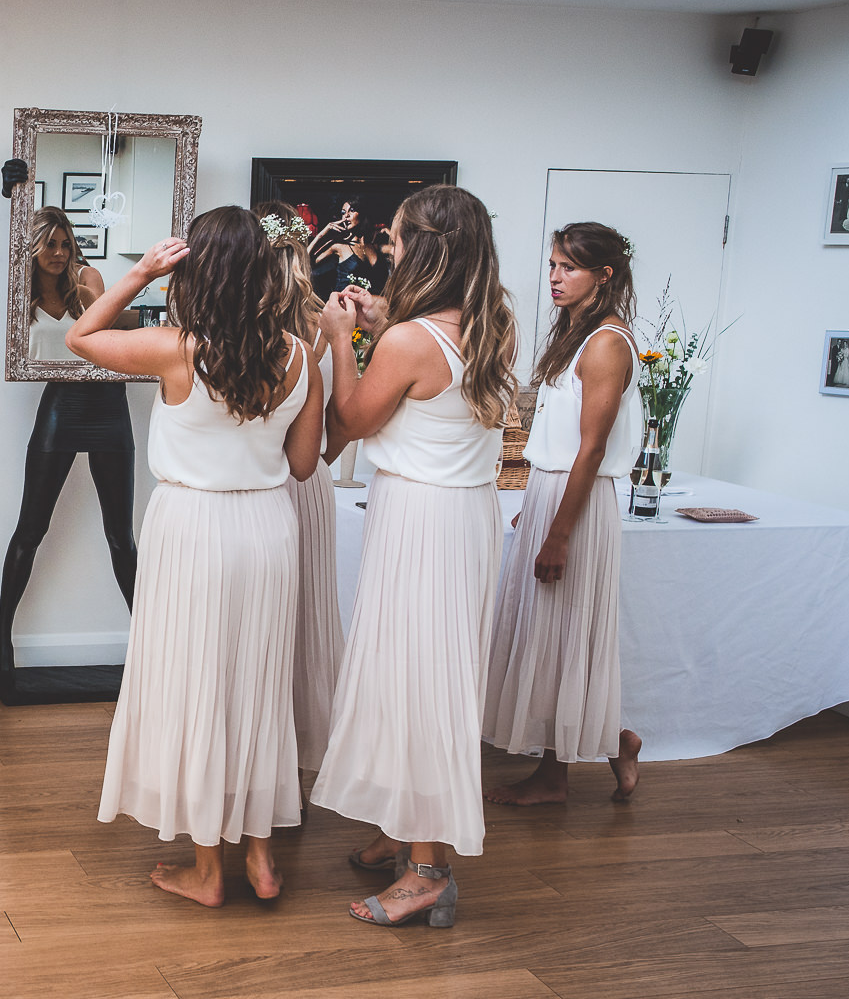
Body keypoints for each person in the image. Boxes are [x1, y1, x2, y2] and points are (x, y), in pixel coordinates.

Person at [73, 206, 324, 907]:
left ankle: (211, 870)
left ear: (197, 269)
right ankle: (264, 859)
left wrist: (143, 271)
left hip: (192, 530)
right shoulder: (300, 353)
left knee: (199, 687)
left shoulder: (175, 347)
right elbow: (304, 465)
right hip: (269, 531)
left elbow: (80, 334)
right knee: (257, 689)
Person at [312, 184, 518, 927]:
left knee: (417, 679)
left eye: (396, 241)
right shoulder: (492, 324)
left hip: (422, 522)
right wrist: (384, 322)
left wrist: (342, 336)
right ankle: (405, 826)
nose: (388, 250)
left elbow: (354, 418)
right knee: (426, 673)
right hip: (462, 516)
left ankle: (429, 868)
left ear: (424, 248)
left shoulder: (406, 342)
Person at [484, 223, 645, 804]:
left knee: (565, 633)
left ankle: (558, 775)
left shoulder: (606, 342)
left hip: (577, 504)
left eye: (568, 267)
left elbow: (592, 449)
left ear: (604, 275)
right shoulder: (576, 335)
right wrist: (536, 510)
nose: (554, 276)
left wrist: (559, 533)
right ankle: (612, 744)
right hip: (552, 495)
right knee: (548, 635)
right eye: (552, 264)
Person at [0, 207, 139, 671]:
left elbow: (105, 326)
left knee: (121, 536)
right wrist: (11, 196)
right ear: (33, 247)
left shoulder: (88, 278)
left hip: (109, 407)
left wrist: (86, 289)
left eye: (64, 243)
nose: (58, 253)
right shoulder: (23, 295)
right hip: (60, 406)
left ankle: (148, 647)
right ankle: (2, 644)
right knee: (30, 530)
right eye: (48, 243)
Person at [255, 200, 342, 785]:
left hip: (261, 487)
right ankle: (302, 773)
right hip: (311, 485)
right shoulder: (328, 324)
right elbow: (338, 425)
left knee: (264, 630)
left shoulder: (251, 329)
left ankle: (264, 768)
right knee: (307, 624)